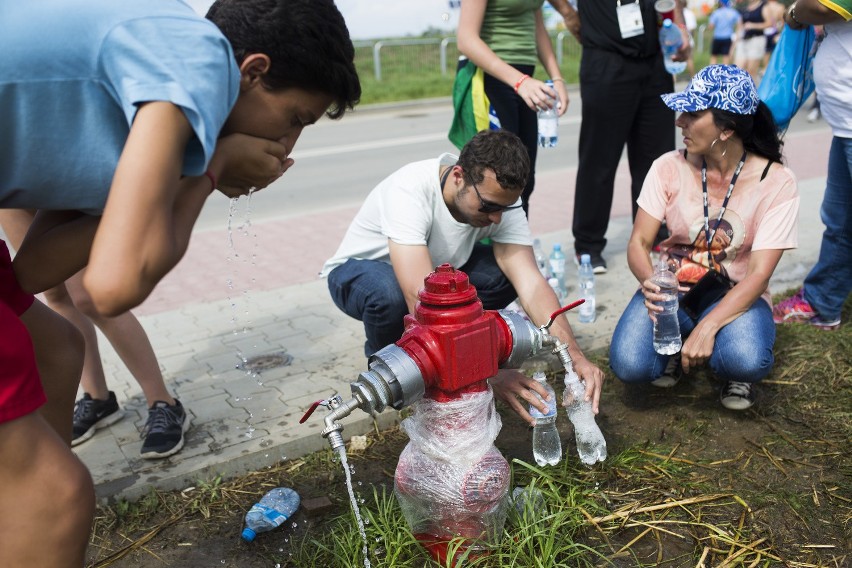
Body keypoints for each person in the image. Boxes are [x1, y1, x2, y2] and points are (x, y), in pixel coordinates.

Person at [0, 0, 360, 565]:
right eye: (294, 120)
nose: (288, 147)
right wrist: (211, 169)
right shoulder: (196, 57)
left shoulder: (144, 91)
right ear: (253, 72)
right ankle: (28, 505)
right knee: (60, 496)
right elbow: (111, 288)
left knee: (57, 347)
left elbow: (31, 271)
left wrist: (195, 169)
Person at [322, 130, 605, 425]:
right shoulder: (409, 189)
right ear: (458, 176)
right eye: (489, 206)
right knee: (389, 294)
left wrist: (575, 356)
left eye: (504, 208)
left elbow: (531, 283)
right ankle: (391, 376)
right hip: (360, 273)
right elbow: (420, 299)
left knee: (503, 275)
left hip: (437, 275)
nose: (497, 218)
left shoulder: (500, 201)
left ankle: (452, 357)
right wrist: (488, 371)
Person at [609, 65, 798, 411]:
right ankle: (681, 340)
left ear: (726, 129)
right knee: (628, 364)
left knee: (745, 359)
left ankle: (719, 357)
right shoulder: (668, 166)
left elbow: (758, 275)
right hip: (671, 289)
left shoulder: (777, 181)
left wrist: (710, 325)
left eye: (693, 113)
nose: (680, 120)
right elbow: (638, 243)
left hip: (734, 292)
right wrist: (651, 284)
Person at [1, 209, 188, 459]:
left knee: (89, 298)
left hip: (46, 179)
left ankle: (163, 403)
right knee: (53, 293)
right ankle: (98, 399)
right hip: (10, 192)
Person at [548, 0, 690, 274]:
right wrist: (567, 12)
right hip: (606, 57)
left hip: (655, 60)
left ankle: (659, 234)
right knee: (599, 160)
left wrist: (681, 28)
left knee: (657, 159)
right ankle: (588, 246)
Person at [773, 0, 851, 330]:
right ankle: (823, 302)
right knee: (840, 222)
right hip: (845, 125)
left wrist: (792, 13)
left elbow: (821, 7)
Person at [456, 0, 569, 216]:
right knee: (493, 180)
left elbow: (537, 26)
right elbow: (466, 39)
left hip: (525, 79)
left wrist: (557, 78)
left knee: (524, 179)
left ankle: (517, 245)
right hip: (492, 77)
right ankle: (487, 248)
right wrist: (519, 82)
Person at [737, 1, 773, 81]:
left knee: (751, 71)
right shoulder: (745, 7)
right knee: (738, 70)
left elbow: (770, 23)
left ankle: (753, 91)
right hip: (743, 40)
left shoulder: (763, 6)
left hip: (757, 40)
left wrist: (753, 26)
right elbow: (739, 26)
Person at [708, 0, 743, 65]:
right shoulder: (733, 12)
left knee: (714, 57)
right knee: (726, 57)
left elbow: (711, 26)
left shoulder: (716, 13)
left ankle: (712, 73)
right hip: (728, 37)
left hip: (717, 37)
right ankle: (725, 73)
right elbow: (739, 24)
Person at [762, 0, 787, 69]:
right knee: (775, 53)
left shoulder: (764, 6)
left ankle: (765, 70)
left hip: (764, 32)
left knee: (766, 54)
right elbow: (783, 22)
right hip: (774, 32)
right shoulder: (780, 7)